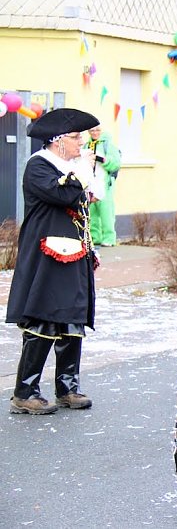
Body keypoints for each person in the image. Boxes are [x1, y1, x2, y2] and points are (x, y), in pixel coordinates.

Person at [7, 108, 100, 414]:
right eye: (75, 138)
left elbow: (80, 205)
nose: (80, 144)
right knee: (44, 317)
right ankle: (25, 391)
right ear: (58, 141)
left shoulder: (69, 168)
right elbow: (64, 196)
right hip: (47, 252)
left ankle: (67, 387)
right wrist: (83, 175)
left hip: (74, 252)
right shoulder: (38, 166)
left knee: (73, 317)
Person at [86, 125, 122, 246]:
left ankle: (109, 237)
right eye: (92, 130)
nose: (94, 133)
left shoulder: (108, 145)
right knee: (92, 212)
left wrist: (102, 159)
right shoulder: (86, 146)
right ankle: (95, 237)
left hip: (104, 183)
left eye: (97, 130)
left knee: (106, 212)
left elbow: (116, 163)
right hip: (91, 183)